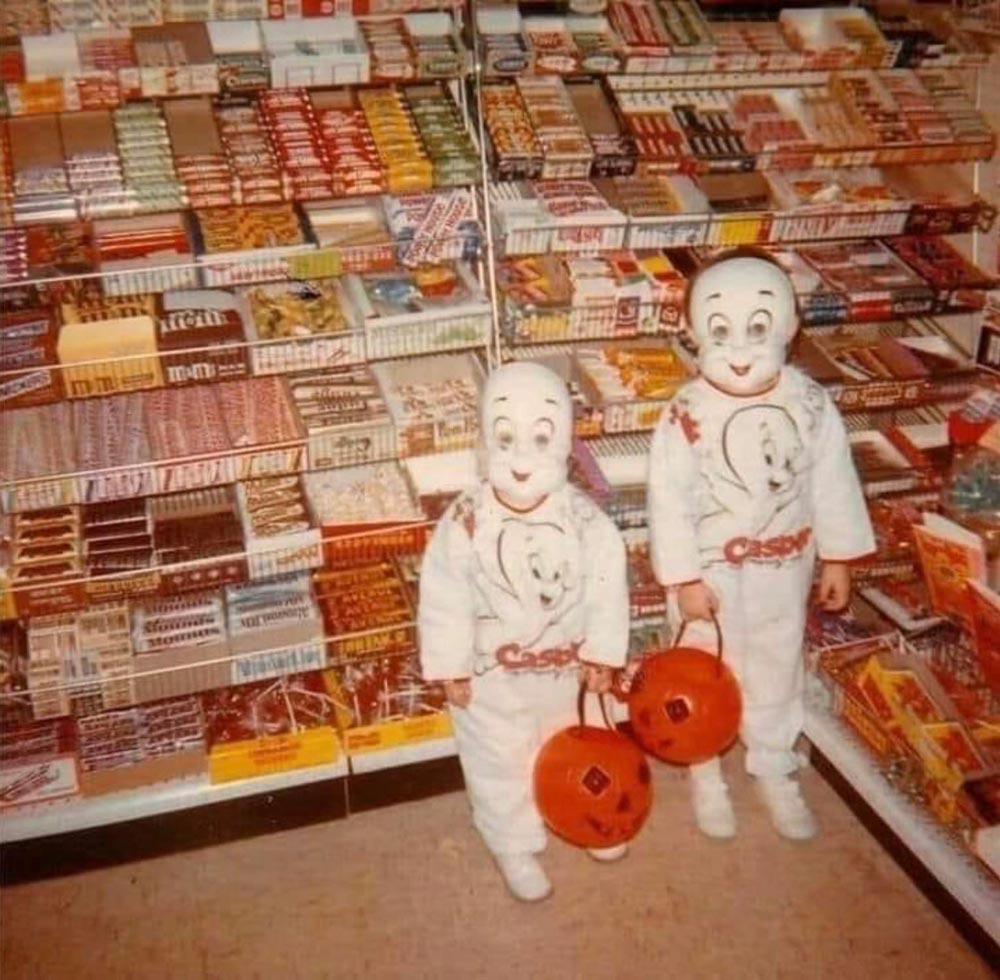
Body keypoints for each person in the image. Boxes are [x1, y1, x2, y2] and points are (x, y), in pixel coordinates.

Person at [647, 248, 874, 841]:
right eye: (721, 330)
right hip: (709, 575)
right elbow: (666, 501)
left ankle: (772, 762)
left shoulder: (809, 403)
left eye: (758, 328)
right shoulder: (685, 414)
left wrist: (839, 556)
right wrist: (683, 578)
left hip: (785, 564)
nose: (741, 348)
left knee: (776, 663)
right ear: (694, 332)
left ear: (790, 328)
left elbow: (832, 480)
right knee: (703, 669)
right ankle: (703, 767)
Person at [418, 360, 630, 901]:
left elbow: (608, 587)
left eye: (539, 440)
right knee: (499, 758)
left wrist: (604, 653)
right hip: (494, 677)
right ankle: (513, 840)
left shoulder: (586, 521)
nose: (519, 461)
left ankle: (587, 814)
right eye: (506, 439)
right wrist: (450, 665)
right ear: (486, 440)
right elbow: (444, 595)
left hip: (568, 672)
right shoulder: (465, 520)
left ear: (563, 444)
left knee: (574, 746)